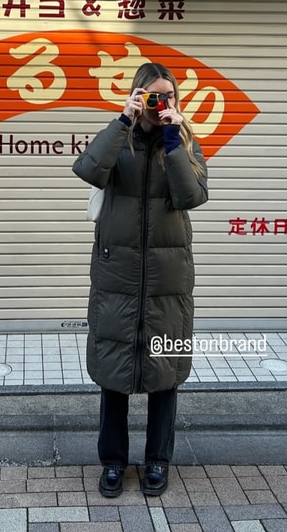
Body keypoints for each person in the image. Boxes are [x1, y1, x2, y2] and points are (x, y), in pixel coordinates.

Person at [72, 62, 208, 498]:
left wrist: (172, 137)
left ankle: (157, 461)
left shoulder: (184, 141)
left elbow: (192, 196)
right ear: (136, 95)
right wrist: (123, 121)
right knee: (114, 372)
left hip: (168, 280)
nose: (159, 102)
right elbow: (88, 169)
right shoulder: (120, 138)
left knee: (164, 373)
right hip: (118, 274)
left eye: (167, 96)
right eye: (152, 95)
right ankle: (113, 462)